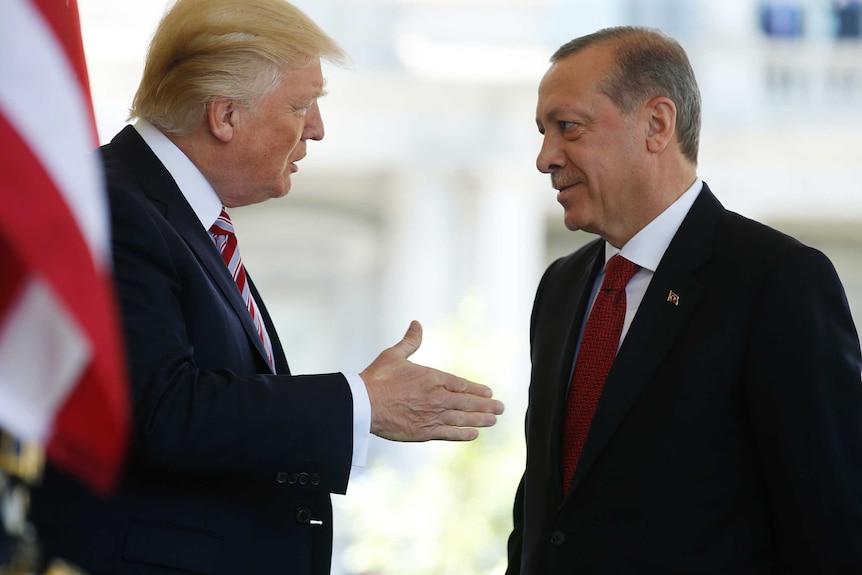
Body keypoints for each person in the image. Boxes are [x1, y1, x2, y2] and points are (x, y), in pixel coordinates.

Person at [29, 0, 504, 573]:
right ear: (224, 116)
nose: (318, 129)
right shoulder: (115, 206)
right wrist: (360, 403)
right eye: (302, 106)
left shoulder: (175, 214)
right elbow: (161, 410)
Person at [506, 26, 862, 574]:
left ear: (656, 124)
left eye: (568, 128)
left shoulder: (776, 281)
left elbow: (831, 524)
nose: (545, 157)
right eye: (542, 132)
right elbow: (544, 508)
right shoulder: (560, 286)